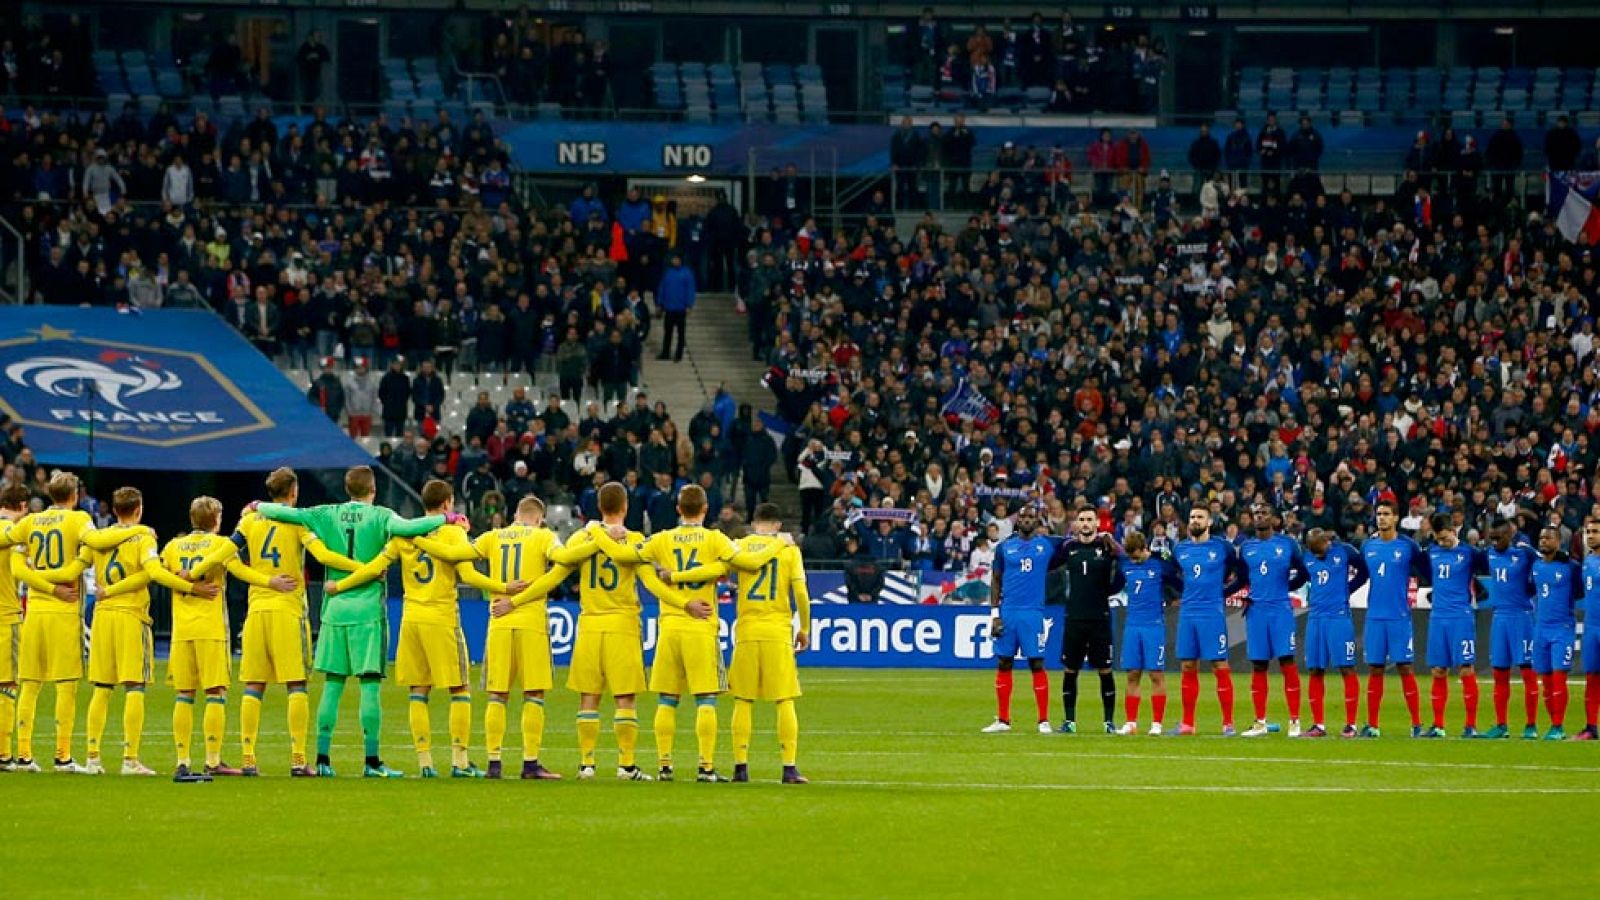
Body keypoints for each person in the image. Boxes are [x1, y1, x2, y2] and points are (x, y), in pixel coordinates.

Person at [254, 465, 447, 778]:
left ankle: (323, 760)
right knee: (369, 686)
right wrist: (447, 518)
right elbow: (412, 529)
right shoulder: (382, 516)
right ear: (373, 490)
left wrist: (257, 506)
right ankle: (372, 763)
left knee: (332, 685)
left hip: (334, 611)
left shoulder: (326, 513)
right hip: (367, 611)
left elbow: (286, 514)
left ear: (347, 489)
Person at [586, 484, 782, 781]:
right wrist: (781, 543)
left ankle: (665, 766)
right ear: (705, 509)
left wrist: (594, 528)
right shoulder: (716, 539)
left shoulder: (662, 539)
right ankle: (705, 768)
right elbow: (752, 562)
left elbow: (619, 554)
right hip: (701, 627)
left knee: (667, 699)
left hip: (670, 627)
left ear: (678, 509)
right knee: (706, 700)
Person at [513, 482, 697, 781]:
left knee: (589, 697)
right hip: (622, 625)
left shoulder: (580, 538)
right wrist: (685, 603)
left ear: (599, 508)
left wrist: (515, 600)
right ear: (625, 507)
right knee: (625, 699)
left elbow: (554, 576)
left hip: (590, 625)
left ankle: (586, 764)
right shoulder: (634, 540)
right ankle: (626, 766)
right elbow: (652, 584)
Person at [330, 479, 500, 778]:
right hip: (442, 618)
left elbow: (373, 567)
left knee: (418, 692)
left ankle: (425, 763)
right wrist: (503, 590)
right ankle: (460, 762)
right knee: (459, 689)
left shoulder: (404, 533)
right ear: (447, 503)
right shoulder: (453, 531)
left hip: (411, 620)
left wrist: (340, 585)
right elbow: (468, 574)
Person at [221, 469, 360, 775]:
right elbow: (322, 555)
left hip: (256, 611)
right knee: (296, 685)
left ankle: (247, 758)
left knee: (254, 685)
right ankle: (298, 759)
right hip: (287, 610)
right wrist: (359, 567)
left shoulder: (248, 520)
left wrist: (264, 580)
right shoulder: (296, 521)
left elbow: (229, 561)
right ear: (293, 491)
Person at [423, 495, 569, 779]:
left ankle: (494, 763)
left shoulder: (493, 536)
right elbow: (562, 562)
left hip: (499, 622)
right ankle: (530, 764)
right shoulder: (544, 537)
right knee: (534, 694)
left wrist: (420, 541)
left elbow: (454, 556)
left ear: (516, 514)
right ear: (539, 518)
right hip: (531, 622)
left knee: (497, 694)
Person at [666, 502, 810, 783]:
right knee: (784, 700)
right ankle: (789, 768)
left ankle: (740, 766)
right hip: (777, 631)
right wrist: (803, 628)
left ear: (754, 523)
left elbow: (713, 572)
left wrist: (675, 576)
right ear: (778, 525)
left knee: (743, 700)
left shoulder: (738, 546)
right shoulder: (788, 549)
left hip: (746, 631)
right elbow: (801, 594)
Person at [73, 489, 196, 776]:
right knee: (134, 687)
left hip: (103, 618)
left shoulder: (100, 538)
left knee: (101, 689)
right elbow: (151, 572)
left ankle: (92, 758)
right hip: (130, 616)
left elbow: (78, 566)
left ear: (115, 511)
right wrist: (189, 586)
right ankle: (130, 759)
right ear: (138, 509)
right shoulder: (143, 537)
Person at [160, 497, 282, 781]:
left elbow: (160, 574)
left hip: (181, 632)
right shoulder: (220, 545)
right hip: (211, 630)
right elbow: (241, 572)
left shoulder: (172, 546)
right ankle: (213, 760)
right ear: (216, 519)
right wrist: (270, 581)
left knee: (184, 694)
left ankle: (182, 760)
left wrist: (187, 585)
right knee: (215, 693)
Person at [7, 472, 98, 773]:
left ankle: (22, 756)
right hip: (63, 612)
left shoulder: (30, 522)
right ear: (74, 496)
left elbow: (18, 569)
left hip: (34, 612)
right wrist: (65, 577)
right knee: (65, 685)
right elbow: (94, 545)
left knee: (29, 684)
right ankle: (63, 756)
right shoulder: (79, 519)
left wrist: (43, 582)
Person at [981, 504, 1074, 734]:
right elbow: (995, 580)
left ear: (1037, 521)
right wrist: (994, 615)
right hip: (1008, 612)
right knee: (1004, 661)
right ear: (1017, 521)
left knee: (1036, 663)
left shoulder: (1047, 544)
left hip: (1033, 613)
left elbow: (1071, 543)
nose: (1026, 520)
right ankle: (1003, 720)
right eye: (1022, 517)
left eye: (1031, 517)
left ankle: (1043, 721)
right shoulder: (1005, 548)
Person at [1359, 499, 1428, 738]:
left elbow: (1426, 571)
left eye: (1386, 514)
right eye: (1379, 514)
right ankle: (1372, 725)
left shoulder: (1409, 546)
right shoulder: (1368, 546)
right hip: (1375, 617)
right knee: (1375, 669)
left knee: (1405, 667)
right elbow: (1359, 576)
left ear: (1396, 517)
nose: (1382, 518)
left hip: (1399, 617)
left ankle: (1417, 724)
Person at [1172, 506, 1245, 736]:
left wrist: (1224, 592)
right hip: (1188, 614)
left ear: (1209, 521)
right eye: (1192, 516)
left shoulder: (1222, 547)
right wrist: (1180, 594)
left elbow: (1241, 573)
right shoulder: (1180, 548)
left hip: (1212, 614)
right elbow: (1170, 576)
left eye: (1199, 517)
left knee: (1219, 665)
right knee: (1187, 665)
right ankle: (1188, 724)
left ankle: (1228, 723)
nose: (1194, 520)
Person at [1238, 502, 1308, 737]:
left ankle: (1295, 721)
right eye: (1256, 513)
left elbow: (1304, 572)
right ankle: (1260, 722)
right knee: (1259, 664)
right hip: (1256, 611)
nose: (1259, 517)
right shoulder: (1246, 548)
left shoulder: (1287, 544)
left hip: (1280, 610)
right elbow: (1240, 579)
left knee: (1287, 661)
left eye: (1264, 513)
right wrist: (1222, 592)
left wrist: (1287, 588)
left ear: (1274, 519)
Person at [1058, 505, 1124, 734]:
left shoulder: (1106, 547)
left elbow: (1126, 565)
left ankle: (1109, 722)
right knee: (1070, 670)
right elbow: (1048, 562)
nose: (1085, 523)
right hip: (1074, 617)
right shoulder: (1069, 548)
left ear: (1097, 523)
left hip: (1100, 618)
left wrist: (1109, 590)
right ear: (1076, 524)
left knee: (1105, 669)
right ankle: (1069, 722)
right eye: (1081, 519)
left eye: (1089, 519)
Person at [1301, 528, 1368, 738]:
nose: (1317, 555)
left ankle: (1351, 725)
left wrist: (1347, 590)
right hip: (1315, 618)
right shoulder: (1307, 558)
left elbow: (1364, 572)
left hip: (1339, 618)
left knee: (1346, 668)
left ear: (1326, 541)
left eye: (1319, 550)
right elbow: (1299, 580)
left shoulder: (1345, 551)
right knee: (1314, 670)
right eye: (1313, 552)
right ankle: (1318, 725)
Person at [1421, 515, 1482, 738]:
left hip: (1461, 617)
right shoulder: (1432, 552)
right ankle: (1438, 726)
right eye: (1438, 539)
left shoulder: (1469, 553)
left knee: (1465, 668)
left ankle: (1470, 726)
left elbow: (1488, 565)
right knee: (1438, 671)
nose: (1442, 543)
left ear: (1453, 531)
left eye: (1445, 538)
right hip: (1438, 618)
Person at [1478, 519, 1539, 739]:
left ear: (1510, 534)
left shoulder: (1524, 554)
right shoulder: (1489, 554)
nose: (1494, 542)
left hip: (1521, 618)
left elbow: (1544, 567)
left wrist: (1529, 591)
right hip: (1499, 618)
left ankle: (1531, 726)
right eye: (1491, 538)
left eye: (1498, 537)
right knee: (1499, 673)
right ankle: (1501, 725)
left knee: (1527, 672)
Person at [1116, 531, 1176, 736]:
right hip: (1132, 625)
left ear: (1144, 549)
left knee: (1155, 674)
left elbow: (1178, 582)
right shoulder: (1125, 566)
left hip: (1154, 626)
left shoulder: (1160, 566)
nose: (1134, 560)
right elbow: (1112, 586)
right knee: (1132, 674)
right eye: (1130, 556)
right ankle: (1130, 723)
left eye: (1136, 556)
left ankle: (1157, 724)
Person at [1529, 526, 1580, 741]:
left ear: (1558, 541)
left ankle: (1558, 726)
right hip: (1541, 628)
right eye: (1541, 537)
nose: (1543, 541)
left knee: (1559, 677)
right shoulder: (1536, 566)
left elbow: (1580, 590)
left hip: (1563, 629)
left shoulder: (1570, 567)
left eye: (1548, 538)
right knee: (1547, 681)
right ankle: (1552, 724)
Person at [1576, 517, 1600, 741]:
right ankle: (1591, 727)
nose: (1591, 535)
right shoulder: (1588, 561)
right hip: (1592, 627)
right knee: (1592, 676)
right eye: (1588, 531)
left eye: (1595, 532)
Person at [656, 252, 695, 362]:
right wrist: (659, 303)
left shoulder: (687, 273)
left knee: (681, 333)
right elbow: (662, 288)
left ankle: (679, 354)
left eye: (677, 259)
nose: (675, 261)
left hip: (681, 308)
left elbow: (690, 290)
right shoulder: (668, 272)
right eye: (673, 259)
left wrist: (689, 305)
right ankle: (665, 352)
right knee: (667, 332)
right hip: (669, 307)